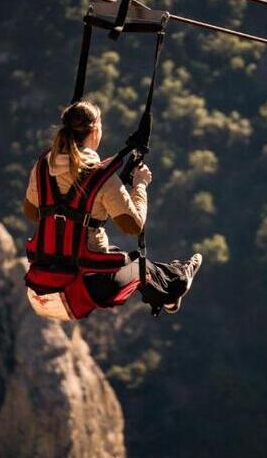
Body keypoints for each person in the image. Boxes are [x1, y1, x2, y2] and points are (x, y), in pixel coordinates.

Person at [23, 100, 203, 320]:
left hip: (39, 288)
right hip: (80, 290)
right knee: (137, 265)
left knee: (116, 251)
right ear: (95, 130)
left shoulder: (42, 167)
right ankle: (177, 284)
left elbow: (33, 213)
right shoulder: (102, 178)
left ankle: (167, 293)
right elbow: (134, 226)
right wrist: (140, 184)